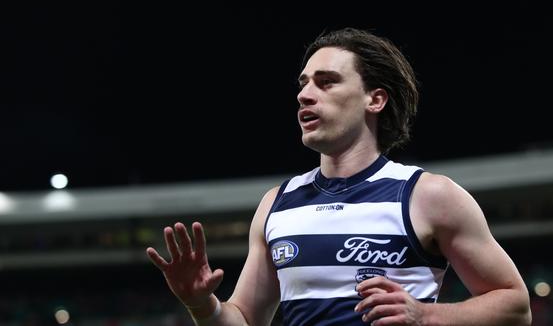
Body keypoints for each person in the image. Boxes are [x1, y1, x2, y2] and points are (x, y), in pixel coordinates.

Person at [146, 27, 532, 326]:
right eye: (303, 84)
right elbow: (245, 319)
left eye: (326, 82)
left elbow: (515, 306)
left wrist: (427, 316)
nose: (305, 95)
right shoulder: (276, 204)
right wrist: (201, 304)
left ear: (374, 99)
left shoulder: (427, 195)